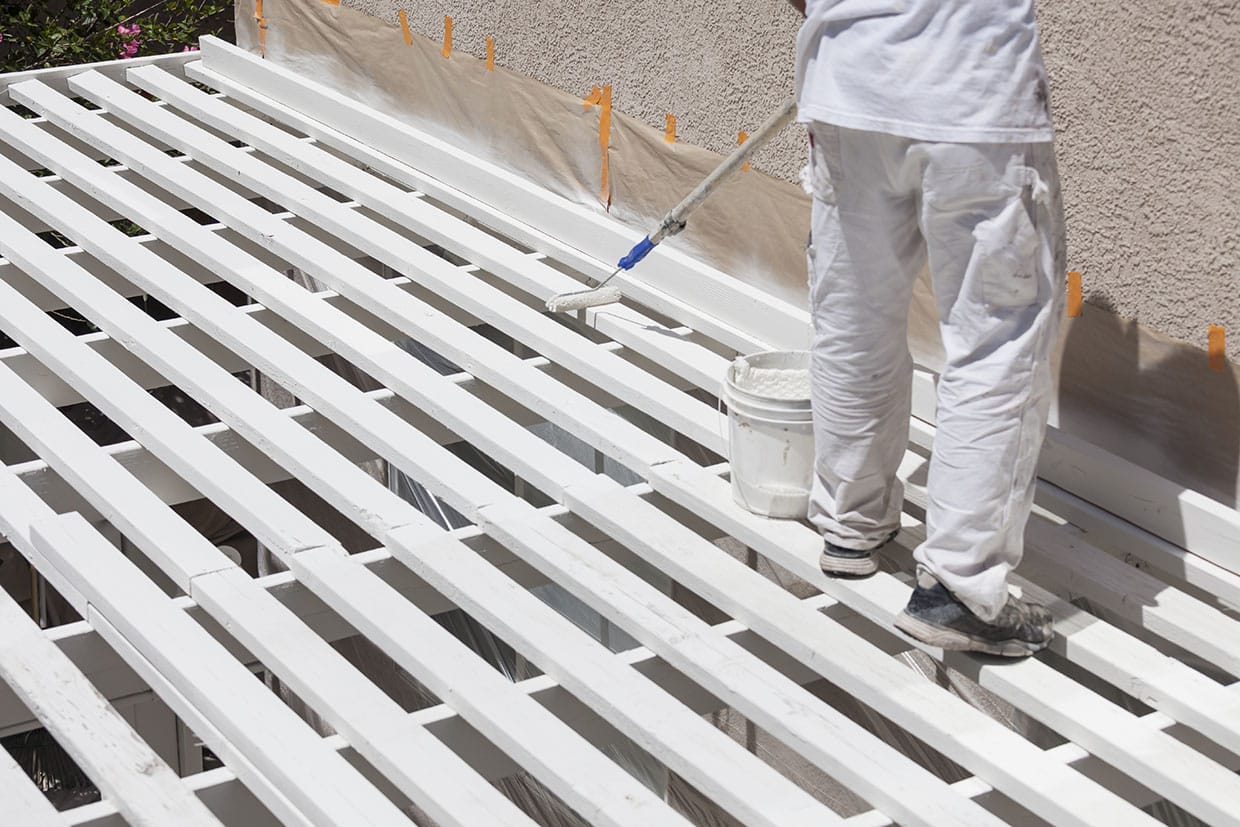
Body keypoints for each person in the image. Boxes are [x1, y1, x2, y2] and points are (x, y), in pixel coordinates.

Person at [789, 0, 1066, 656]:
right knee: (996, 334)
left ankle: (850, 524)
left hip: (850, 80)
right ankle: (959, 588)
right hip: (971, 89)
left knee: (852, 316)